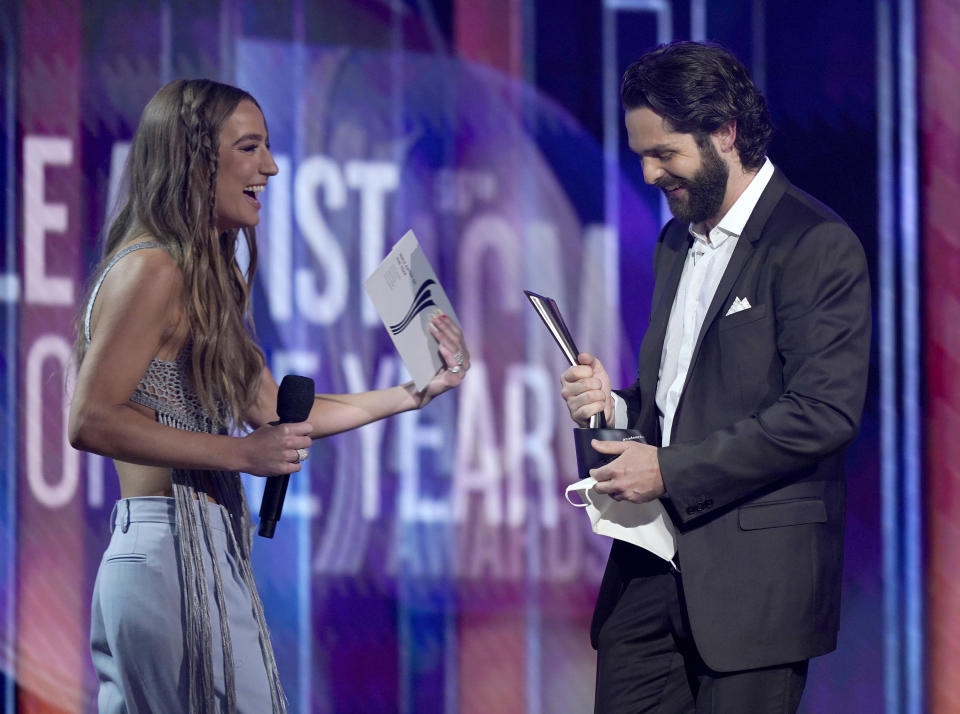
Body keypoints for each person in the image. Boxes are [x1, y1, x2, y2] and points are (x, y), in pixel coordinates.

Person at [68, 78, 470, 713]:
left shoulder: (206, 273)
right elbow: (90, 419)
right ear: (194, 160)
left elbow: (269, 407)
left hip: (201, 550)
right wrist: (240, 457)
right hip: (169, 557)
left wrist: (414, 392)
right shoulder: (154, 269)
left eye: (268, 147)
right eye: (249, 148)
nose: (271, 167)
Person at [559, 41, 870, 713]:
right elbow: (678, 402)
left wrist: (668, 470)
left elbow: (821, 412)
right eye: (640, 154)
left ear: (725, 131)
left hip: (754, 587)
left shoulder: (813, 243)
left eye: (663, 153)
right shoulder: (676, 241)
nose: (647, 173)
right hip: (649, 573)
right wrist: (613, 404)